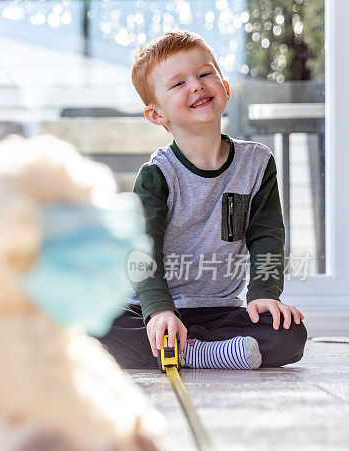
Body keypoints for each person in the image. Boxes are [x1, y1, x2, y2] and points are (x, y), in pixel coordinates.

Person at [94, 30, 307, 369]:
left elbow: (267, 236)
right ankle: (201, 353)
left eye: (205, 74)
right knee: (93, 324)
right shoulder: (156, 174)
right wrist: (159, 310)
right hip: (154, 308)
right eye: (178, 84)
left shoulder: (257, 163)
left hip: (220, 311)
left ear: (224, 88)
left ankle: (187, 350)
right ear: (156, 114)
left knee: (289, 334)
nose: (196, 85)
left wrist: (265, 295)